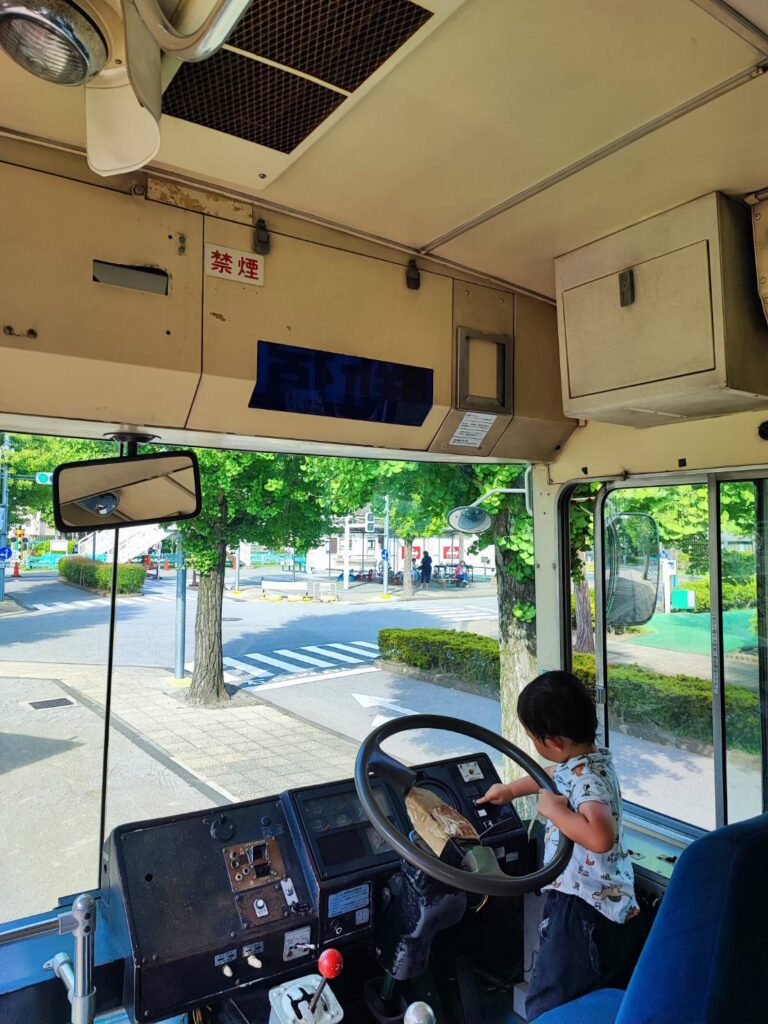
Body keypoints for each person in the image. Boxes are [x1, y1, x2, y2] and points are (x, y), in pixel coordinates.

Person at [477, 671, 641, 1021]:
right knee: (594, 996)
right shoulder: (590, 761)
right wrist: (508, 791)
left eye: (533, 737)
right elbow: (552, 773)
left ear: (550, 740)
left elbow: (599, 836)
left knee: (549, 1003)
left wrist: (553, 810)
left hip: (583, 911)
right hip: (610, 904)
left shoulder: (587, 782)